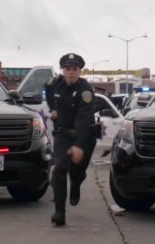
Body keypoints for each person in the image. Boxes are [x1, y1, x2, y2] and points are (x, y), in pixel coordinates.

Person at [45, 53, 97, 226]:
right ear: (63, 70)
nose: (71, 72)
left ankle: (76, 184)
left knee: (77, 172)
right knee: (58, 170)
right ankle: (59, 212)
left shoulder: (85, 91)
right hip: (62, 135)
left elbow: (84, 119)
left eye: (75, 69)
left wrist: (79, 146)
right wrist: (53, 108)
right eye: (68, 69)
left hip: (84, 137)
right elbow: (48, 91)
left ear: (80, 71)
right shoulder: (55, 83)